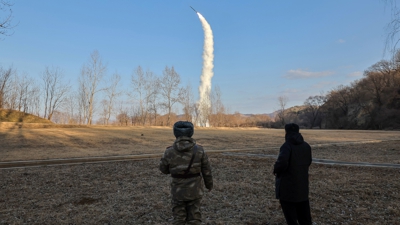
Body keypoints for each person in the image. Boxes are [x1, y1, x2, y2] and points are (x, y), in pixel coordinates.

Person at [159, 121, 213, 225]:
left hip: (177, 191)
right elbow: (207, 171)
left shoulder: (169, 151)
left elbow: (163, 170)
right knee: (195, 218)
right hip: (195, 190)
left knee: (178, 218)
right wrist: (209, 185)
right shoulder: (200, 150)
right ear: (191, 132)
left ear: (175, 133)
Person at [273, 123, 312, 225]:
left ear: (286, 132)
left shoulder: (286, 146)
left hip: (287, 189)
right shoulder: (306, 146)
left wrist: (276, 170)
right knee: (305, 219)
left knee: (291, 220)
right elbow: (308, 162)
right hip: (303, 187)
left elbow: (282, 163)